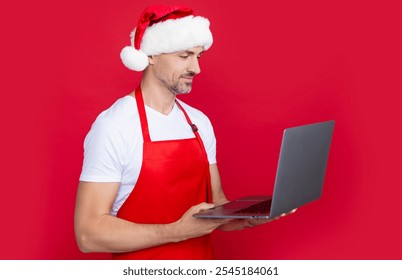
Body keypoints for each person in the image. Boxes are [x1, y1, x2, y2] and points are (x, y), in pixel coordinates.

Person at [74, 5, 294, 260]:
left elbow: (217, 209)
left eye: (198, 57)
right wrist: (176, 231)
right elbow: (87, 234)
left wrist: (249, 218)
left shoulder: (199, 122)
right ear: (152, 55)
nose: (196, 68)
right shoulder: (114, 126)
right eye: (184, 56)